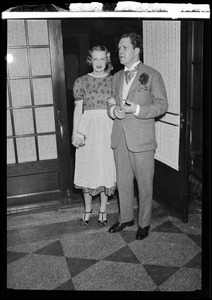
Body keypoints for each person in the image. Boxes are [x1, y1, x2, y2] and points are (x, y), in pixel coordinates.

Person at [107, 32, 168, 240]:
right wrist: (113, 111)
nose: (119, 52)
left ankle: (144, 223)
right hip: (120, 138)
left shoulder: (152, 74)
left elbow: (162, 105)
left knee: (144, 184)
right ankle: (126, 218)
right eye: (119, 48)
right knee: (123, 182)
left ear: (136, 50)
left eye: (124, 47)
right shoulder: (115, 77)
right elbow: (111, 102)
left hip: (142, 140)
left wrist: (138, 110)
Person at [72, 45, 116, 226]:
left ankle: (103, 210)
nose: (99, 63)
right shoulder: (81, 81)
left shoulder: (115, 81)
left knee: (106, 168)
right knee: (87, 168)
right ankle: (88, 210)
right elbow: (77, 108)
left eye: (102, 59)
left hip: (108, 127)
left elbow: (115, 107)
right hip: (87, 127)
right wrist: (75, 133)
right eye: (95, 59)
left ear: (107, 59)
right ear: (90, 60)